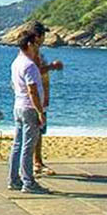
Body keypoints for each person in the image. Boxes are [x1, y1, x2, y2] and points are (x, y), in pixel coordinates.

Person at [9, 31, 49, 194]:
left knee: (18, 144)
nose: (38, 48)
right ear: (30, 45)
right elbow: (33, 90)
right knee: (28, 146)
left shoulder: (16, 62)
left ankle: (14, 179)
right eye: (36, 44)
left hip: (18, 106)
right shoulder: (29, 65)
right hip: (29, 107)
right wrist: (40, 111)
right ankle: (28, 181)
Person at [28, 22, 64, 176]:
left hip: (41, 95)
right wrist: (52, 67)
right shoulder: (33, 52)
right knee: (36, 130)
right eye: (43, 35)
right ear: (38, 36)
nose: (44, 38)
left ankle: (37, 161)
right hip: (36, 98)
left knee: (38, 131)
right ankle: (36, 163)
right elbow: (34, 73)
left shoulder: (34, 51)